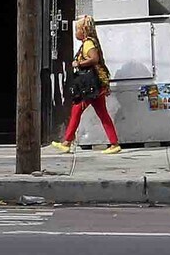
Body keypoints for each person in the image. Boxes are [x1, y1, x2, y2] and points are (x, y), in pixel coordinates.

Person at [51, 16, 120, 154]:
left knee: (77, 110)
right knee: (102, 114)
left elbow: (94, 59)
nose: (76, 32)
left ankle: (67, 142)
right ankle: (114, 144)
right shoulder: (90, 42)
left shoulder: (88, 43)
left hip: (89, 87)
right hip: (95, 87)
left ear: (84, 30)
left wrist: (78, 63)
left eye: (77, 29)